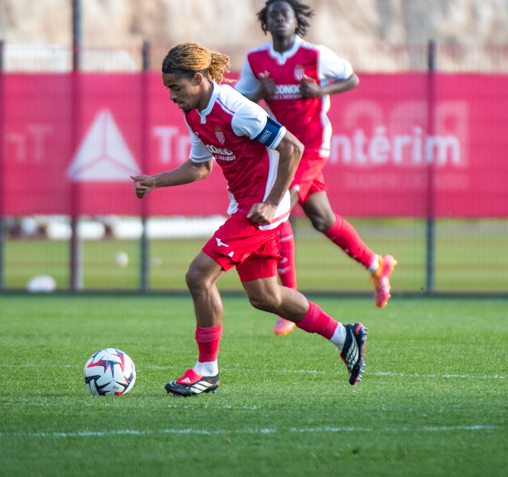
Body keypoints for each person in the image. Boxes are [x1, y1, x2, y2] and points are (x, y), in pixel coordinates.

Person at [132, 42, 367, 396]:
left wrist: (271, 203)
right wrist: (155, 181)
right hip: (246, 206)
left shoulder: (235, 108)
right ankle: (344, 336)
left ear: (198, 79)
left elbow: (292, 147)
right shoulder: (194, 113)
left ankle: (206, 371)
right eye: (168, 88)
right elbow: (200, 167)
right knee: (265, 297)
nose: (171, 96)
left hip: (262, 210)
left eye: (175, 87)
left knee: (198, 276)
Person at [235, 0, 397, 336]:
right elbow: (238, 99)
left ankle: (288, 304)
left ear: (297, 21)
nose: (280, 18)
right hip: (282, 148)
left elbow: (351, 78)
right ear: (266, 23)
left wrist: (320, 91)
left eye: (286, 14)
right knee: (322, 219)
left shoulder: (315, 55)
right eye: (274, 15)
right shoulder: (255, 60)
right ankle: (376, 263)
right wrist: (259, 94)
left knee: (277, 208)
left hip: (311, 147)